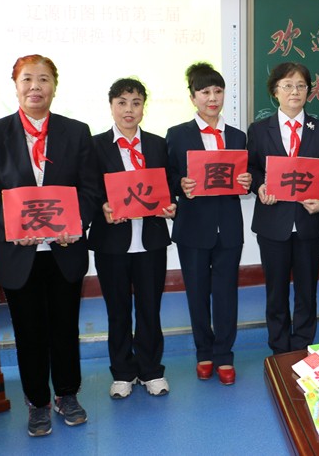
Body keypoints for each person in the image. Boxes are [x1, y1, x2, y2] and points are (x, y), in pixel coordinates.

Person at [0, 54, 100, 436]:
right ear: (15, 86)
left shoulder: (76, 132)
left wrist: (75, 223)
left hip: (64, 248)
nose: (35, 86)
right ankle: (37, 402)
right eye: (27, 79)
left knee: (64, 328)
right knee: (28, 332)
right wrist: (15, 223)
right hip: (19, 252)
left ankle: (67, 394)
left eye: (44, 79)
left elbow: (90, 190)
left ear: (54, 87)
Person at [87, 78, 176, 399]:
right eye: (122, 102)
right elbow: (87, 189)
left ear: (143, 108)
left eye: (136, 103)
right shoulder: (95, 146)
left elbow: (169, 185)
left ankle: (151, 370)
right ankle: (123, 372)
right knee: (118, 310)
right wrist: (102, 208)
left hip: (150, 241)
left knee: (150, 308)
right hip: (112, 242)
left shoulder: (158, 144)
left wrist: (171, 205)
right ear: (111, 106)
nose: (129, 109)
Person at [166, 62, 251, 385]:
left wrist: (247, 181)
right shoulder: (177, 134)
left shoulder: (238, 136)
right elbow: (167, 175)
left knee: (227, 293)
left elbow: (245, 178)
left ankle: (224, 354)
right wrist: (180, 184)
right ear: (193, 97)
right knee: (197, 293)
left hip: (228, 227)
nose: (212, 98)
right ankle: (204, 351)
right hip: (192, 227)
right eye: (205, 92)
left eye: (218, 91)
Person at [247, 62, 319, 355]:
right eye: (287, 86)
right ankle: (279, 349)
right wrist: (260, 186)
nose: (294, 91)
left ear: (308, 91)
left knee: (307, 291)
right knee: (275, 291)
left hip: (309, 222)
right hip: (273, 223)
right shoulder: (259, 130)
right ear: (275, 91)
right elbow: (251, 169)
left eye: (301, 86)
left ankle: (301, 347)